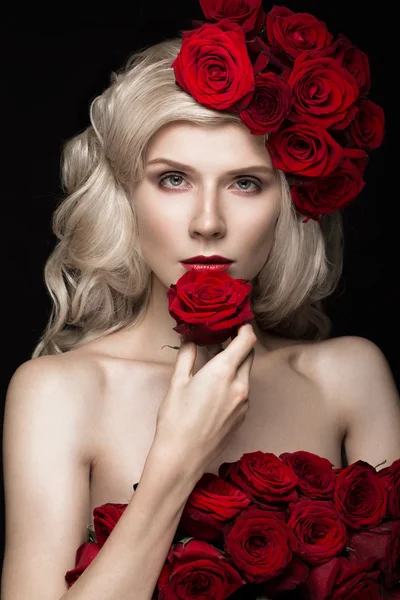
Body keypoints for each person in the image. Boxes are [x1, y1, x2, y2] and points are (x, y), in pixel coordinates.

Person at [2, 3, 399, 599]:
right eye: (173, 179)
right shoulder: (59, 391)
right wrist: (177, 459)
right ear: (126, 199)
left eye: (245, 183)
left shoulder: (347, 377)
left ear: (286, 205)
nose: (208, 223)